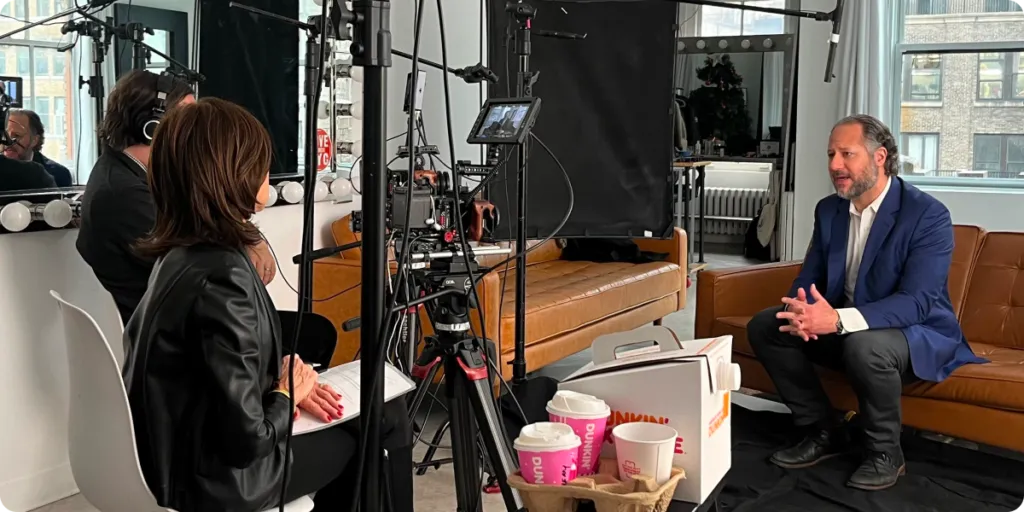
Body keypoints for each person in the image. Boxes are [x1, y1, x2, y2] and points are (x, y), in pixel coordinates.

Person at [122, 97, 414, 511]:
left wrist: (284, 383)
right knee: (383, 416)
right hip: (219, 483)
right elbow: (248, 442)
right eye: (261, 163)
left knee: (365, 414)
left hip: (177, 461)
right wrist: (286, 395)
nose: (268, 174)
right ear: (234, 174)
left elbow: (207, 374)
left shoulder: (180, 256)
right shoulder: (223, 276)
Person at [746, 114, 986, 491]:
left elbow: (917, 303)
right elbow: (811, 277)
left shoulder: (927, 215)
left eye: (847, 154)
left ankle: (885, 453)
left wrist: (838, 320)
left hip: (915, 332)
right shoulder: (829, 210)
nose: (834, 165)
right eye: (830, 155)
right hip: (851, 327)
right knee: (767, 324)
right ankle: (823, 432)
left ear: (879, 157)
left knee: (865, 345)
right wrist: (801, 309)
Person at [76, 70, 276, 325]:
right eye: (189, 120)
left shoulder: (124, 173)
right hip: (181, 332)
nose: (199, 131)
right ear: (153, 128)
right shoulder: (125, 196)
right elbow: (203, 261)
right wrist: (247, 240)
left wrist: (249, 236)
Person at [5, 109, 73, 186]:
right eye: (4, 135)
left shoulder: (57, 174)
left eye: (17, 136)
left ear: (35, 140)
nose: (7, 142)